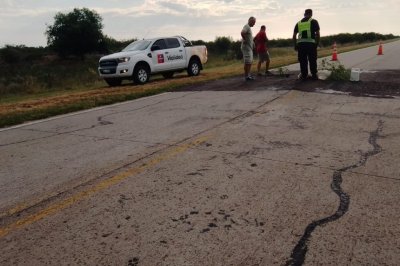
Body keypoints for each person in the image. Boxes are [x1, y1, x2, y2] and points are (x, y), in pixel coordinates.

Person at [292, 9, 320, 80]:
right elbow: (318, 34)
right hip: (311, 44)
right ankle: (314, 74)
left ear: (304, 14)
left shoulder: (298, 23)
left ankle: (304, 75)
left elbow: (294, 35)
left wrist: (295, 45)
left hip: (301, 45)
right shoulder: (314, 21)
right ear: (311, 14)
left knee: (302, 60)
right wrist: (317, 43)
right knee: (312, 59)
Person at [241, 16, 256, 81]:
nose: (254, 24)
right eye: (253, 22)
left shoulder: (248, 27)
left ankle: (247, 75)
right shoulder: (246, 26)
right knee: (248, 62)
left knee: (248, 62)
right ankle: (247, 76)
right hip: (246, 48)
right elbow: (242, 32)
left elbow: (249, 37)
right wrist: (245, 40)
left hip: (249, 47)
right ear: (250, 21)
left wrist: (253, 43)